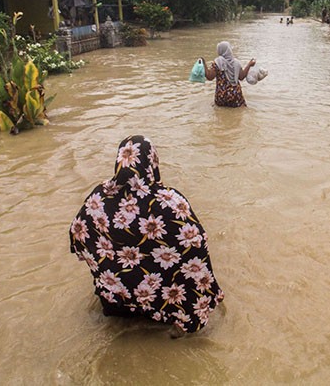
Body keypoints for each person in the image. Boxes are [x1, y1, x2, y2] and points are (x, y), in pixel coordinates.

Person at [69, 135, 224, 336]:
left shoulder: (99, 195)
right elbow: (197, 243)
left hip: (117, 301)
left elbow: (77, 234)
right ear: (152, 162)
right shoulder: (168, 201)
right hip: (163, 300)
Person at [204, 41, 255, 107]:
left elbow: (209, 77)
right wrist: (249, 65)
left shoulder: (217, 62)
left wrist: (203, 64)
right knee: (240, 113)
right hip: (236, 96)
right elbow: (241, 77)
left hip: (222, 96)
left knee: (218, 112)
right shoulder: (236, 62)